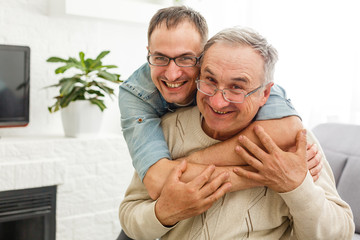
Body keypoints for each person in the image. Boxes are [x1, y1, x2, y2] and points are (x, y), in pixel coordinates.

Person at [119, 27, 354, 239]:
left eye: (237, 88)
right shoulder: (168, 131)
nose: (218, 102)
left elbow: (340, 234)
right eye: (210, 81)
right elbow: (130, 218)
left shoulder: (293, 144)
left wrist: (296, 187)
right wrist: (164, 213)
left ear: (265, 94)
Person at [118, 6, 321, 201]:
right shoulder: (134, 94)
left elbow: (288, 129)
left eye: (186, 59)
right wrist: (267, 176)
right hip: (149, 210)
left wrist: (182, 166)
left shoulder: (236, 75)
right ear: (148, 52)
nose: (172, 74)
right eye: (160, 57)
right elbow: (157, 181)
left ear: (205, 55)